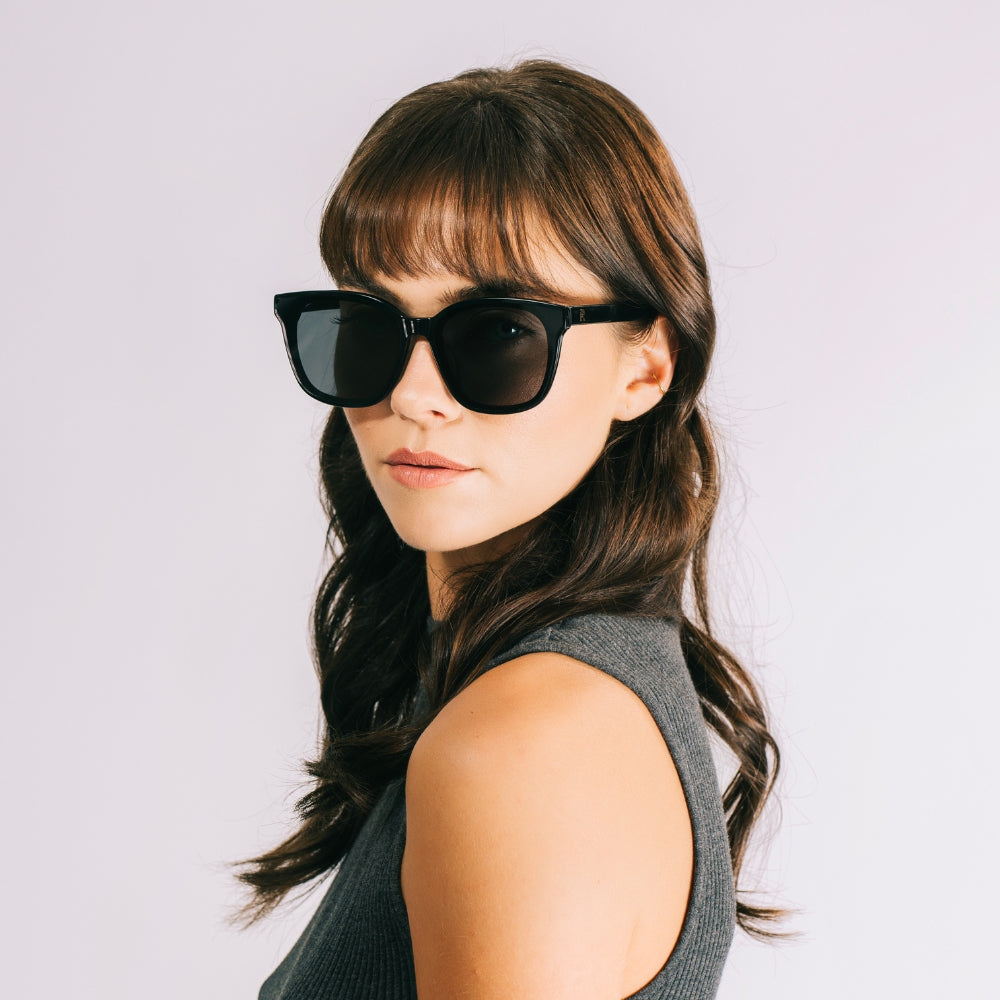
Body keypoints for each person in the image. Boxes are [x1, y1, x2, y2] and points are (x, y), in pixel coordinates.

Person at [238, 59, 783, 1000]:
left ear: (645, 368)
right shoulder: (565, 687)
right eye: (372, 326)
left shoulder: (526, 744)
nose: (413, 395)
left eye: (496, 333)